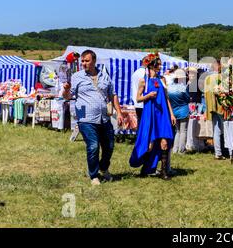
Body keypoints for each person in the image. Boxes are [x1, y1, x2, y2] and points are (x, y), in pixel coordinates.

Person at [63, 50, 124, 186]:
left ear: (94, 61)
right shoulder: (77, 77)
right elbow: (67, 97)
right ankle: (94, 175)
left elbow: (113, 94)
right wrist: (66, 90)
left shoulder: (104, 76)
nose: (84, 63)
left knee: (109, 146)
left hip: (104, 118)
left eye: (86, 61)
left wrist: (119, 113)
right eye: (82, 61)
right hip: (86, 119)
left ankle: (103, 167)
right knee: (93, 146)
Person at [129, 54, 177, 180]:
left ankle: (164, 172)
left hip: (163, 114)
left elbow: (166, 98)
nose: (160, 66)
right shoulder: (143, 80)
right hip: (150, 114)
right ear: (151, 65)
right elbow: (138, 98)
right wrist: (148, 95)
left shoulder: (162, 79)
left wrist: (171, 114)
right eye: (158, 64)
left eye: (160, 64)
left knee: (164, 142)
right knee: (149, 144)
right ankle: (146, 168)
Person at [204, 60, 230, 160]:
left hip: (211, 107)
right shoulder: (222, 77)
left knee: (216, 130)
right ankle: (231, 152)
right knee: (227, 129)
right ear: (218, 66)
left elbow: (205, 94)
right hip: (221, 107)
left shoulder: (207, 78)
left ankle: (218, 153)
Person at [167, 69, 191, 154]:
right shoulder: (183, 87)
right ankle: (181, 150)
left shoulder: (169, 87)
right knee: (183, 131)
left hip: (174, 111)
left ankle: (175, 149)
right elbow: (188, 99)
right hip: (183, 110)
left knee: (177, 131)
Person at [131, 57, 147, 123]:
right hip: (144, 102)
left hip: (137, 103)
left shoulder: (135, 73)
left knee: (140, 123)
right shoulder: (145, 73)